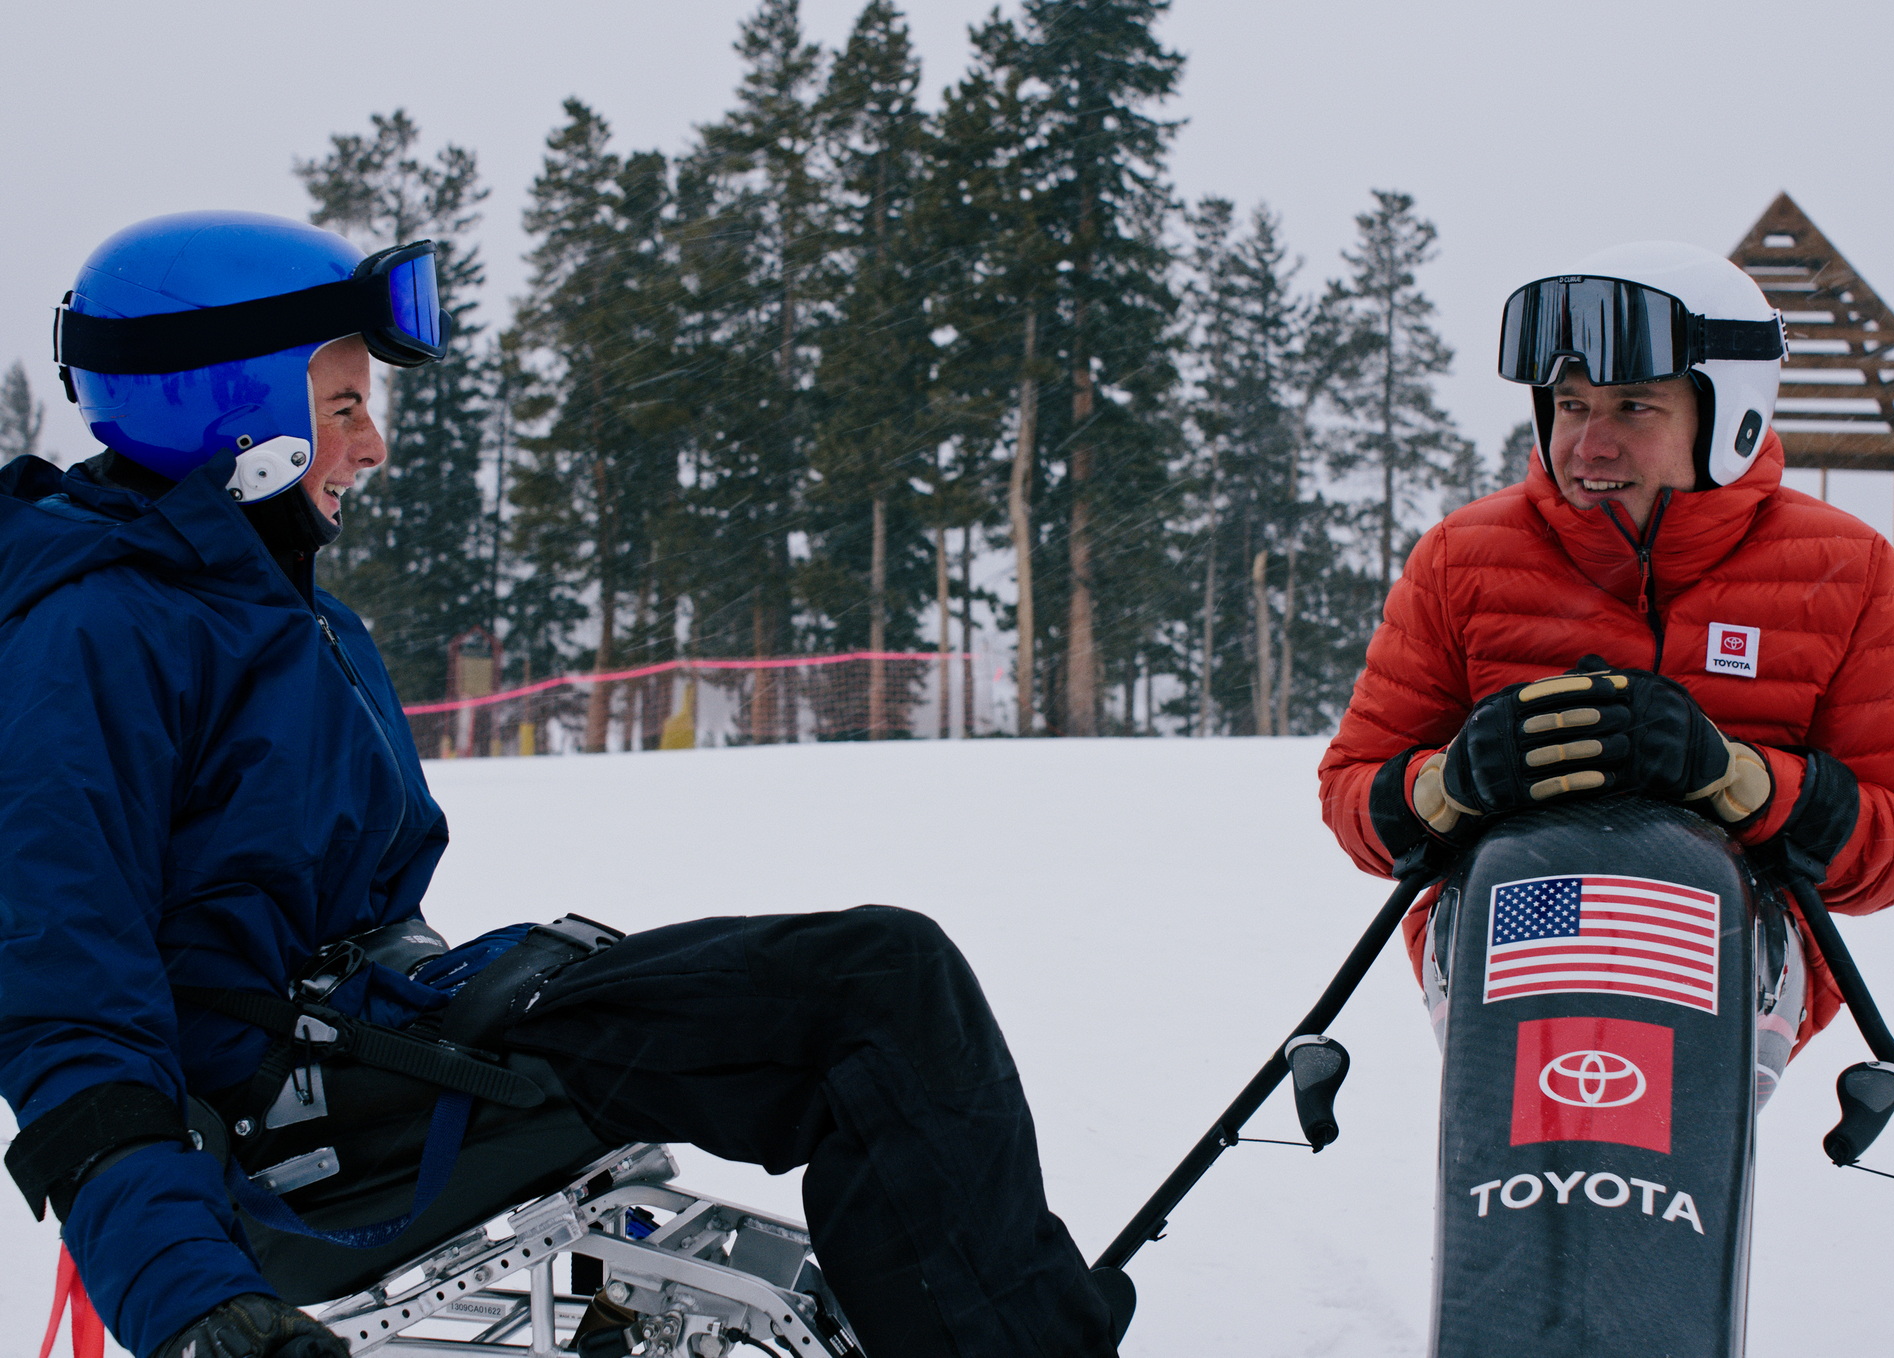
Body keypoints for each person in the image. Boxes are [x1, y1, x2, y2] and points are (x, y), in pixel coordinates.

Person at [0, 212, 1125, 1358]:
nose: (374, 445)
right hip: (304, 1128)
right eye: (343, 406)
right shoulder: (98, 630)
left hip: (397, 1042)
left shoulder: (281, 608)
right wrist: (187, 1300)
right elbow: (67, 998)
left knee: (886, 977)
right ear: (231, 413)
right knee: (875, 989)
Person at [1319, 239, 1894, 1072]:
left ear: (1732, 415)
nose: (1590, 446)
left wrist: (1737, 779)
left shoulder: (1847, 571)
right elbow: (1354, 796)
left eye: (1635, 407)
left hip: (1736, 947)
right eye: (1571, 407)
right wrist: (1447, 784)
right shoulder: (1461, 558)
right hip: (1511, 937)